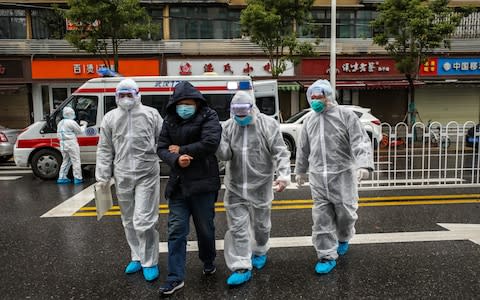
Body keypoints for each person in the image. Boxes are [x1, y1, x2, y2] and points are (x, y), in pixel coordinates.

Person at [294, 79, 373, 274]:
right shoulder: (309, 120)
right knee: (321, 218)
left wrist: (363, 164)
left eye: (319, 97)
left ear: (329, 96)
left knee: (346, 214)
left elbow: (359, 140)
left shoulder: (345, 115)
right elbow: (303, 149)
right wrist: (300, 171)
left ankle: (344, 236)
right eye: (312, 97)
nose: (315, 101)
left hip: (342, 175)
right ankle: (326, 255)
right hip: (318, 177)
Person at [216, 91, 291, 286]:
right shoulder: (228, 127)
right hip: (235, 187)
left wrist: (283, 175)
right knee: (238, 228)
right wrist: (217, 141)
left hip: (261, 186)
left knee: (261, 226)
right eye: (237, 114)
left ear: (253, 108)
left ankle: (260, 249)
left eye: (244, 113)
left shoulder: (268, 125)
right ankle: (241, 265)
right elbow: (224, 155)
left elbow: (280, 152)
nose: (241, 117)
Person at [157, 81, 222, 295]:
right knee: (176, 230)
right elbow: (162, 147)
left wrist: (184, 150)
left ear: (197, 102)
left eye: (189, 103)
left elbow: (211, 142)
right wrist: (176, 159)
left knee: (205, 228)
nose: (185, 107)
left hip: (203, 183)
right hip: (178, 184)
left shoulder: (208, 115)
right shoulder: (169, 119)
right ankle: (175, 277)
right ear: (174, 104)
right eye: (181, 103)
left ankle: (208, 259)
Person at [95, 78, 163, 282]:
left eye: (129, 94)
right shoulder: (110, 118)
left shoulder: (151, 114)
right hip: (122, 173)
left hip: (147, 173)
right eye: (121, 95)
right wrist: (103, 176)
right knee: (128, 220)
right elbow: (105, 148)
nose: (125, 98)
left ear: (137, 94)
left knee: (144, 220)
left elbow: (164, 139)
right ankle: (137, 256)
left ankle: (149, 261)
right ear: (116, 97)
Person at [56, 106, 87, 184]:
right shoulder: (71, 122)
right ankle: (78, 178)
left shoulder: (60, 123)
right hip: (71, 143)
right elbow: (80, 131)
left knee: (66, 160)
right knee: (76, 160)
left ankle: (62, 177)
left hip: (62, 143)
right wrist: (84, 125)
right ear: (71, 113)